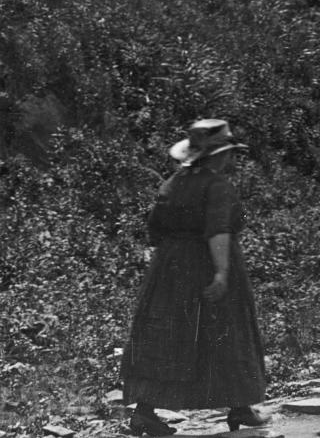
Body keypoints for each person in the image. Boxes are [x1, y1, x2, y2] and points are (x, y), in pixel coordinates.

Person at [120, 120, 268, 436]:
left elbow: (154, 231)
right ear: (220, 156)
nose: (232, 160)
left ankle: (146, 412)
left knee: (169, 338)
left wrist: (172, 260)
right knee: (227, 330)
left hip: (170, 270)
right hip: (206, 262)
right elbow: (218, 230)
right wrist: (221, 273)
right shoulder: (218, 186)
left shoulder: (172, 183)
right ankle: (240, 405)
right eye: (229, 154)